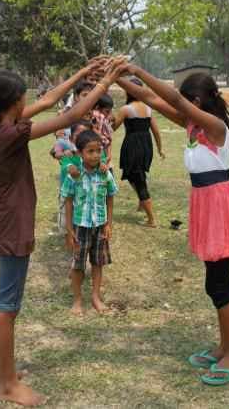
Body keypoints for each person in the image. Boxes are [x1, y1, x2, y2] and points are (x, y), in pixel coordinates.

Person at [0, 58, 122, 406]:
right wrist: (104, 83)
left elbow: (51, 101)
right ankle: (7, 385)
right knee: (8, 308)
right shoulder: (11, 133)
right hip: (13, 226)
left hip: (7, 222)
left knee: (8, 306)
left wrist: (82, 74)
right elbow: (68, 117)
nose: (28, 102)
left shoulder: (3, 124)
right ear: (16, 101)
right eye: (24, 97)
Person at [113, 65, 229, 386]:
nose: (186, 105)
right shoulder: (193, 125)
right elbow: (150, 97)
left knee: (220, 286)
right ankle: (225, 347)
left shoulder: (217, 127)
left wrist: (135, 69)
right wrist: (113, 79)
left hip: (219, 207)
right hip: (206, 205)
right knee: (215, 284)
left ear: (204, 100)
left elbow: (173, 98)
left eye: (192, 99)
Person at [61, 130, 119, 314]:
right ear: (80, 153)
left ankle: (95, 296)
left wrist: (109, 223)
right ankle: (77, 300)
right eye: (90, 151)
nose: (95, 155)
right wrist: (69, 229)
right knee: (78, 265)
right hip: (80, 227)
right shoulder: (74, 176)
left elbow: (110, 197)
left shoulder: (105, 174)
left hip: (100, 226)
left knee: (98, 262)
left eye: (98, 151)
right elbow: (68, 202)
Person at [113, 78, 165, 227]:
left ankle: (151, 219)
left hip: (133, 146)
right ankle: (142, 203)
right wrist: (160, 148)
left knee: (137, 179)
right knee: (136, 175)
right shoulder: (148, 108)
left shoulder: (126, 109)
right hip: (146, 145)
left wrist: (108, 120)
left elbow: (113, 127)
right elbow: (155, 130)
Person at [91, 93, 114, 169]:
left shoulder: (103, 119)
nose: (108, 114)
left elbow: (109, 138)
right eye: (107, 111)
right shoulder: (97, 116)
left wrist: (109, 154)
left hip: (103, 152)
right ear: (97, 107)